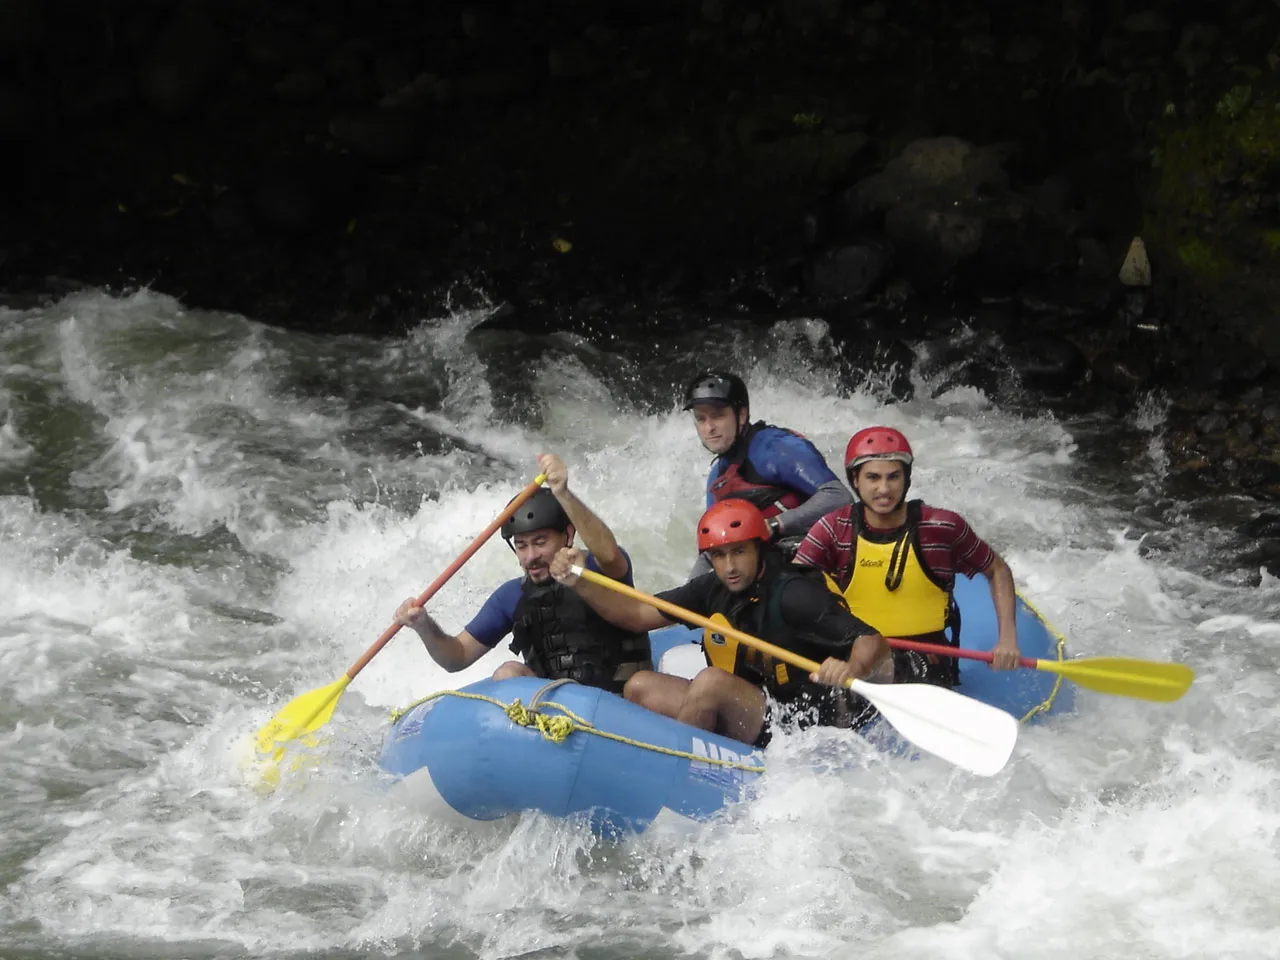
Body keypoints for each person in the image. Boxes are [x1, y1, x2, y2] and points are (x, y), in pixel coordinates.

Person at [549, 499, 891, 748]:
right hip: (757, 706)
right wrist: (581, 582)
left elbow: (872, 640)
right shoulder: (713, 586)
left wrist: (851, 669)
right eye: (719, 556)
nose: (729, 566)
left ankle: (679, 766)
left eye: (739, 552)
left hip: (801, 720)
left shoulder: (794, 593)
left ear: (758, 549)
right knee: (640, 686)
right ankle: (691, 750)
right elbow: (635, 617)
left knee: (711, 682)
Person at [392, 453, 651, 693]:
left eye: (540, 542)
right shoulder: (511, 596)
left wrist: (563, 493)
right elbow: (457, 657)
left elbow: (609, 553)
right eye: (521, 545)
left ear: (568, 535)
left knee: (642, 685)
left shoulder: (595, 568)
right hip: (562, 716)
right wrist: (423, 625)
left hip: (622, 704)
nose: (530, 557)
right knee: (508, 673)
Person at [793, 426, 1021, 687]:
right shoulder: (833, 528)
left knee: (868, 668)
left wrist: (1007, 639)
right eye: (873, 477)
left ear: (907, 479)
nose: (883, 489)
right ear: (855, 480)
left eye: (893, 477)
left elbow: (996, 569)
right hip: (854, 652)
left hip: (925, 658)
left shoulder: (941, 527)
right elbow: (792, 587)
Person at [682, 371, 852, 568]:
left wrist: (774, 524)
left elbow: (839, 497)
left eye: (718, 416)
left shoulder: (778, 448)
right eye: (701, 419)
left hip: (810, 563)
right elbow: (714, 548)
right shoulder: (716, 480)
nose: (709, 428)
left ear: (742, 414)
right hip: (761, 572)